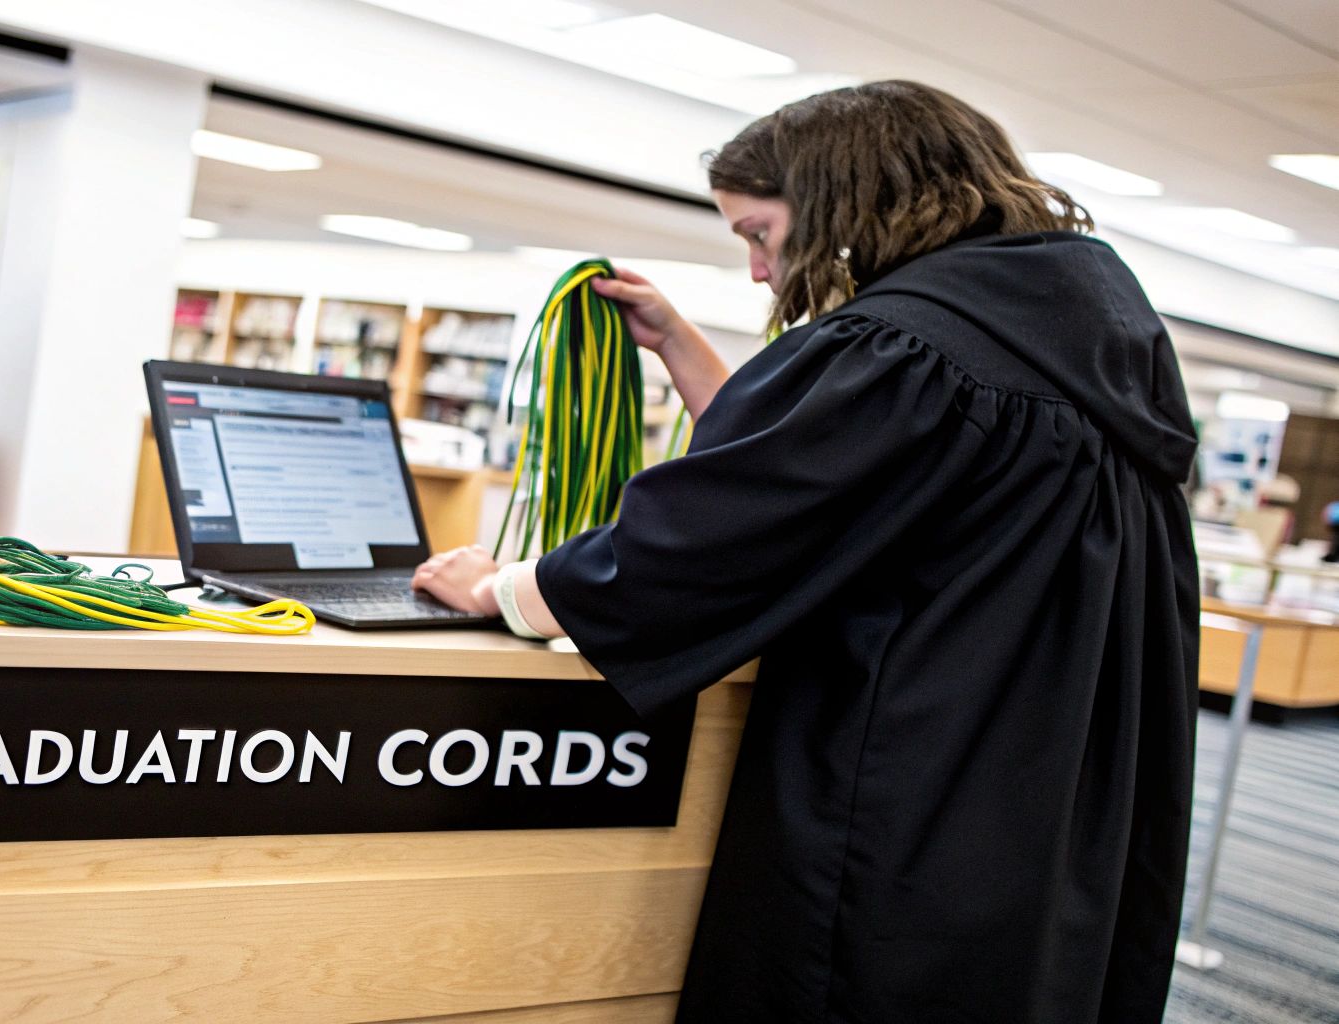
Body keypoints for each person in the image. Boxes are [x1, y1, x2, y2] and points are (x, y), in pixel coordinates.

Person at [413, 81, 1198, 1023]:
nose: (755, 270)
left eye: (758, 232)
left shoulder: (901, 351)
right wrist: (686, 352)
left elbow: (698, 550)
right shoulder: (1070, 330)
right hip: (1049, 801)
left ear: (841, 201)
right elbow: (841, 489)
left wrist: (503, 588)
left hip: (908, 802)